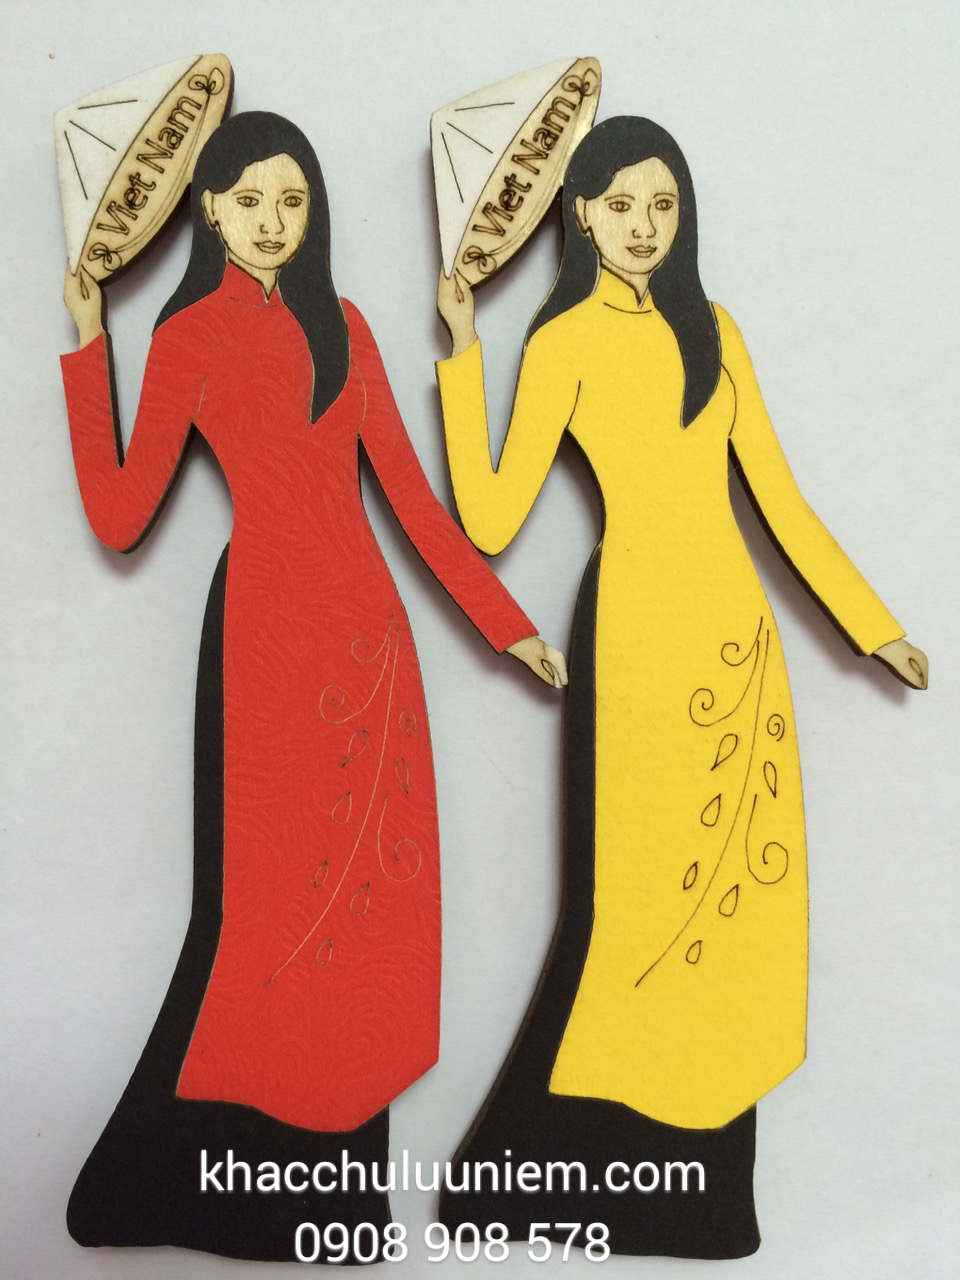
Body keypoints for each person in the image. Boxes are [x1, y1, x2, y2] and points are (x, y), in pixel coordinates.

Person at [61, 110, 565, 1263]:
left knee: (369, 921)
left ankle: (339, 1204)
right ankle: (186, 1181)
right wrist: (91, 344)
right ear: (209, 209)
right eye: (249, 201)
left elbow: (414, 502)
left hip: (371, 653)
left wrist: (508, 627)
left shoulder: (345, 325)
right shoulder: (188, 335)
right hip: (263, 650)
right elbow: (122, 515)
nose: (271, 221)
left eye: (291, 200)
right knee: (260, 916)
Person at [435, 115, 927, 1258]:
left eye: (662, 204)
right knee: (629, 909)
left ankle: (706, 1196)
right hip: (635, 646)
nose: (643, 226)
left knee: (738, 910)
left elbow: (779, 499)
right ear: (580, 215)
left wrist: (876, 627)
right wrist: (462, 353)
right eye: (620, 206)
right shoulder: (561, 342)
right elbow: (492, 517)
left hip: (735, 644)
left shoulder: (715, 328)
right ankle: (533, 1171)